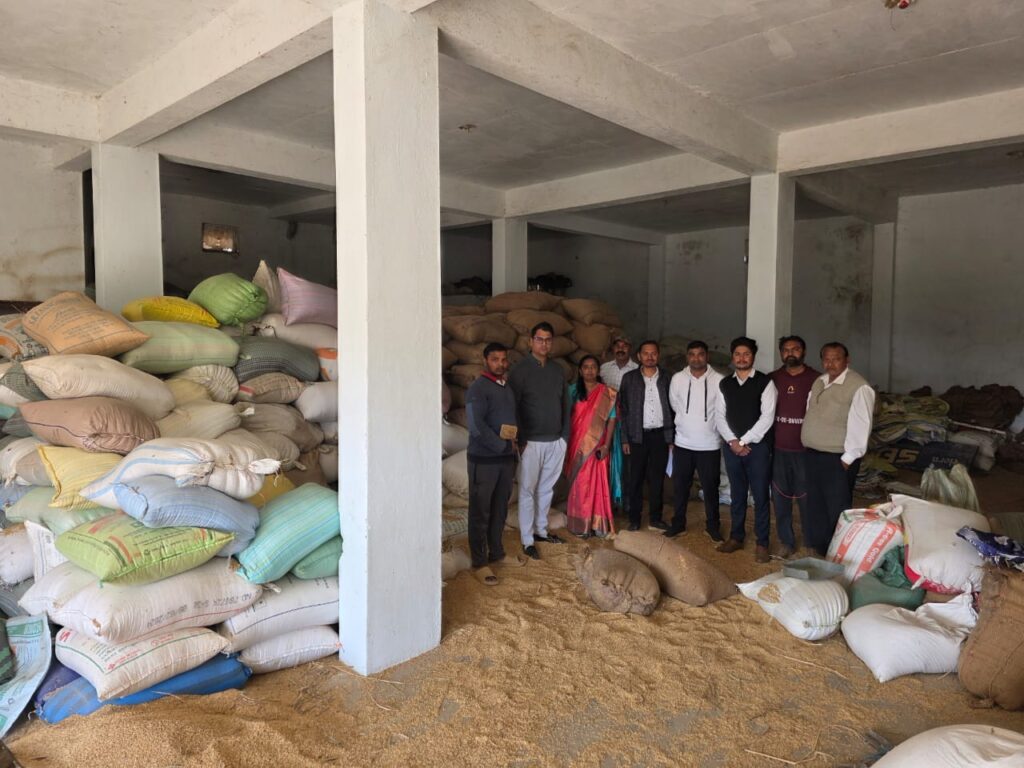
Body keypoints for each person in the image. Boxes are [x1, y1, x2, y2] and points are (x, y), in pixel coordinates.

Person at [800, 342, 875, 556]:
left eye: (836, 359)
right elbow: (811, 411)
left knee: (836, 507)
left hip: (838, 458)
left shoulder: (859, 386)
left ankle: (836, 551)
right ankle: (819, 548)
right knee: (815, 503)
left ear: (847, 360)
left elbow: (861, 424)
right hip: (814, 454)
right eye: (826, 359)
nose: (830, 364)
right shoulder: (820, 381)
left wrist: (848, 458)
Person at [508, 322, 572, 560]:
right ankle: (527, 540)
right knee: (527, 490)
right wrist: (520, 438)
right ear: (531, 341)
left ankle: (541, 531)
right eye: (539, 339)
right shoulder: (520, 370)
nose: (544, 344)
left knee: (546, 489)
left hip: (555, 441)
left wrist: (564, 436)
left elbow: (566, 404)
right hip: (531, 442)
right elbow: (513, 406)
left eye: (548, 340)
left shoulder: (557, 370)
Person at [465, 343, 525, 584]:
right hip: (484, 461)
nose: (501, 364)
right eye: (495, 359)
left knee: (500, 509)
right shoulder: (477, 388)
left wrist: (516, 443)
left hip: (505, 461)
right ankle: (480, 563)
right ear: (485, 361)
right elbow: (476, 426)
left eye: (503, 359)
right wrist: (501, 446)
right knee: (480, 512)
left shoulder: (506, 388)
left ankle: (497, 553)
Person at [715, 336, 778, 562]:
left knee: (760, 496)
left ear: (753, 356)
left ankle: (762, 543)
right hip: (732, 448)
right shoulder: (725, 384)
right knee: (737, 494)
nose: (742, 358)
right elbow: (719, 416)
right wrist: (733, 441)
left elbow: (767, 417)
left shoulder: (765, 382)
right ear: (732, 357)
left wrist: (743, 442)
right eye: (738, 354)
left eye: (746, 354)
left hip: (757, 449)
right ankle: (736, 537)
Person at [665, 340, 725, 542]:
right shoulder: (677, 379)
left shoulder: (719, 380)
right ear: (687, 357)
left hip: (710, 444)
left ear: (707, 356)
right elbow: (675, 405)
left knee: (711, 488)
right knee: (680, 487)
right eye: (692, 354)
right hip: (683, 443)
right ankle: (678, 524)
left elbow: (722, 410)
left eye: (700, 354)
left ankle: (713, 527)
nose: (696, 358)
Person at [769, 335, 820, 558]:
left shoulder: (817, 379)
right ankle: (786, 541)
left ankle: (811, 542)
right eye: (786, 350)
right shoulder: (772, 379)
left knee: (808, 498)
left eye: (795, 349)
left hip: (806, 450)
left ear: (804, 351)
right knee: (780, 498)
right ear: (781, 353)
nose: (791, 353)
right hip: (779, 449)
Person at [617, 340, 674, 532]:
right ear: (639, 356)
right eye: (646, 353)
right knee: (635, 479)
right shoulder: (629, 378)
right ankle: (634, 519)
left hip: (660, 436)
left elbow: (673, 408)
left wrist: (671, 438)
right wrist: (625, 438)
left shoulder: (667, 378)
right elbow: (623, 411)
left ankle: (655, 518)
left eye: (653, 353)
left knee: (657, 480)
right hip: (636, 436)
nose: (650, 357)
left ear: (658, 355)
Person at [564, 355, 617, 538]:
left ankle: (596, 524)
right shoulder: (572, 391)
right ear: (580, 370)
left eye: (593, 367)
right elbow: (565, 417)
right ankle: (580, 524)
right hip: (576, 445)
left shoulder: (607, 393)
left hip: (597, 445)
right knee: (579, 483)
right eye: (585, 367)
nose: (589, 370)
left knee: (595, 483)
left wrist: (606, 445)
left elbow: (611, 420)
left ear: (598, 370)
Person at [599, 336, 635, 510]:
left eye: (625, 345)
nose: (621, 348)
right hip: (606, 421)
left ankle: (625, 499)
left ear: (630, 348)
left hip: (628, 422)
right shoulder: (603, 369)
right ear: (613, 349)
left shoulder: (637, 369)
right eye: (617, 345)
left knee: (627, 462)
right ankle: (607, 500)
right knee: (607, 460)